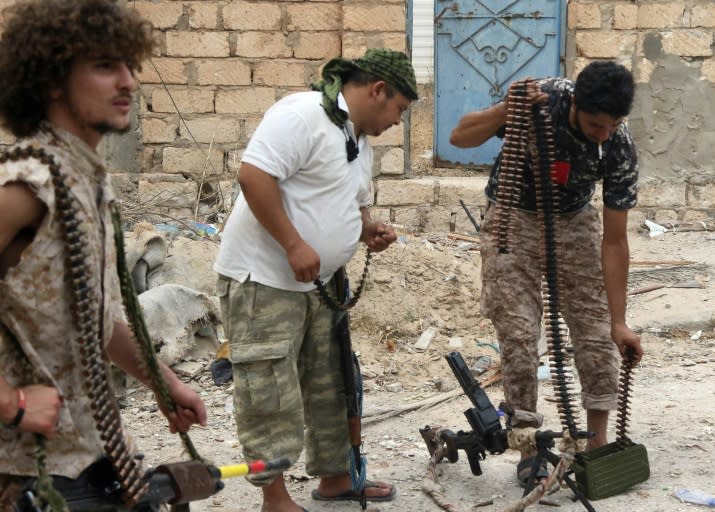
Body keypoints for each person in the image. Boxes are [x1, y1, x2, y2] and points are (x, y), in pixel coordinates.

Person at [0, 0, 207, 508]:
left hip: (91, 448)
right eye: (103, 66)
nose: (127, 82)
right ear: (52, 80)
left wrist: (163, 382)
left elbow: (95, 318)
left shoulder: (84, 180)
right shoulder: (26, 185)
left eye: (128, 66)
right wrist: (9, 402)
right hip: (27, 468)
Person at [214, 48, 417, 512]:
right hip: (264, 280)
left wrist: (365, 229)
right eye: (400, 109)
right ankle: (275, 498)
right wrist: (292, 244)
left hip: (320, 284)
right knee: (269, 390)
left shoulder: (357, 137)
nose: (399, 122)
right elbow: (253, 176)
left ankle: (335, 479)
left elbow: (343, 198)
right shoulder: (302, 114)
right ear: (377, 90)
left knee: (331, 383)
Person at [449, 61, 645, 488]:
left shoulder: (618, 146)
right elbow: (459, 136)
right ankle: (529, 445)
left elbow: (614, 241)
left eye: (613, 125)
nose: (603, 134)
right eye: (595, 124)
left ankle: (596, 444)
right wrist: (509, 111)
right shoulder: (539, 102)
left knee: (594, 332)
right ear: (575, 104)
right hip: (513, 216)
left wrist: (619, 321)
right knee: (518, 330)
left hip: (574, 220)